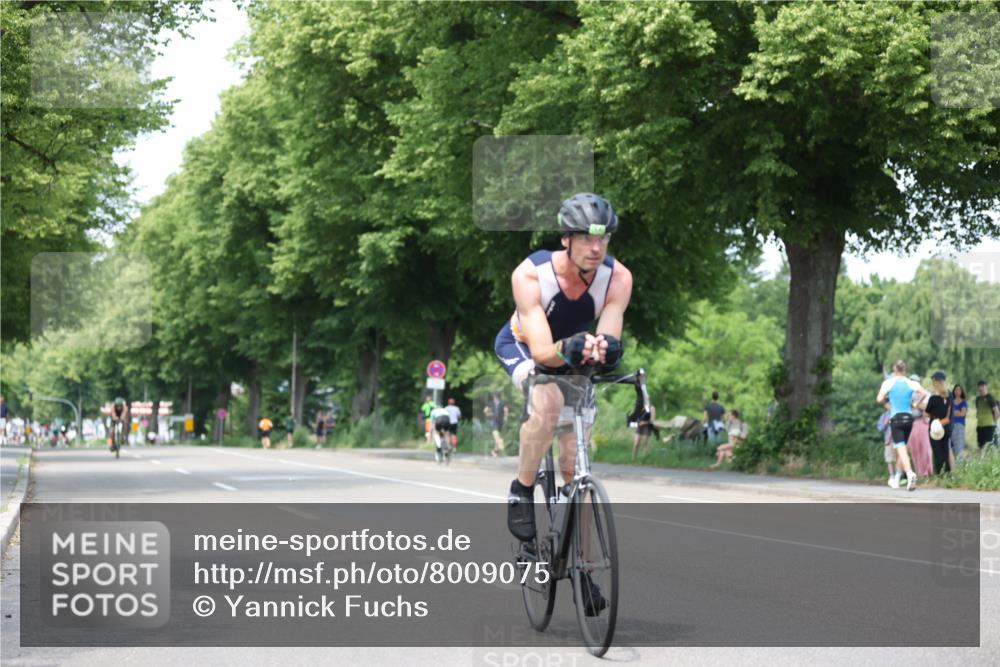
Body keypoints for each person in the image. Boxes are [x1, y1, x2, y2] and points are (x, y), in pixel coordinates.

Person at [494, 193, 633, 618]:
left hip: (571, 354)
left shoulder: (619, 279)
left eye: (604, 239)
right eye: (588, 239)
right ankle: (522, 489)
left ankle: (585, 567)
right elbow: (541, 351)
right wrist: (572, 349)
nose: (597, 247)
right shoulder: (531, 275)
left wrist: (604, 350)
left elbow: (607, 339)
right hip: (524, 346)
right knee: (549, 402)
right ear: (566, 239)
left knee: (575, 462)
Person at [876, 361, 927, 490]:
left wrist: (887, 397)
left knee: (901, 448)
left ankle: (910, 474)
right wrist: (916, 404)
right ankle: (897, 479)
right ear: (904, 370)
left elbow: (879, 399)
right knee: (902, 448)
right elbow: (924, 393)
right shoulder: (911, 383)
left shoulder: (888, 383)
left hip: (896, 419)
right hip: (909, 419)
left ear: (894, 369)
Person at [925, 371, 953, 474]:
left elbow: (926, 413)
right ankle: (947, 474)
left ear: (935, 383)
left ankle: (939, 474)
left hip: (935, 427)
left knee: (937, 452)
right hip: (946, 426)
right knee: (945, 451)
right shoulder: (950, 396)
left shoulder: (933, 399)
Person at [975, 380, 999, 450]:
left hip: (989, 426)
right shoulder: (978, 399)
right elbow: (978, 410)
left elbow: (997, 412)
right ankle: (981, 460)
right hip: (980, 426)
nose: (981, 389)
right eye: (979, 387)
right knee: (981, 446)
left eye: (982, 386)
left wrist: (994, 421)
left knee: (991, 447)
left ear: (986, 387)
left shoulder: (990, 398)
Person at [485, 392, 509, 458]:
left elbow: (485, 410)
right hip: (496, 421)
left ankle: (494, 451)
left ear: (494, 397)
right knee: (497, 436)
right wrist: (505, 418)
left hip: (497, 421)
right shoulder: (501, 403)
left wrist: (488, 414)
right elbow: (506, 411)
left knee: (497, 437)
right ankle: (501, 446)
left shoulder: (492, 403)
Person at [877, 403, 896, 479]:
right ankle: (892, 475)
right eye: (888, 404)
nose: (890, 405)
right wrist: (885, 423)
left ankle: (899, 475)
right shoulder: (884, 416)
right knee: (889, 459)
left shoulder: (897, 413)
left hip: (897, 439)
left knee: (897, 458)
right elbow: (880, 428)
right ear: (885, 406)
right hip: (888, 440)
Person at [951, 384, 968, 462]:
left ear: (961, 391)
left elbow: (963, 414)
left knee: (959, 446)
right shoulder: (951, 401)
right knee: (952, 447)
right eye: (956, 390)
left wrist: (955, 412)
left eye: (959, 390)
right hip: (951, 425)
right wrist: (957, 412)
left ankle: (960, 466)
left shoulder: (963, 402)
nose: (957, 391)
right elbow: (950, 413)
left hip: (960, 425)